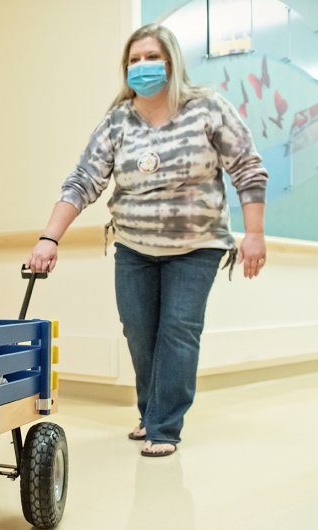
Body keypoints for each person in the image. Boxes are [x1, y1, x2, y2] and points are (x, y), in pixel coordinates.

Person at [26, 24, 268, 457]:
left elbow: (247, 167)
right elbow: (84, 179)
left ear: (171, 62)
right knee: (139, 331)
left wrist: (254, 233)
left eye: (150, 57)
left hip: (198, 245)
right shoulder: (119, 119)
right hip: (133, 245)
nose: (141, 67)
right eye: (133, 60)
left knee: (178, 331)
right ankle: (150, 411)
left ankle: (164, 426)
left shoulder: (207, 108)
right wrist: (49, 238)